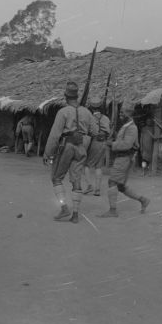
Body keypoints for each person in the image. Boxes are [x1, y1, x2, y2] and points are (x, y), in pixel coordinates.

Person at [43, 81, 98, 224]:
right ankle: (75, 214)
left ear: (66, 96)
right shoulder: (86, 112)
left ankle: (63, 208)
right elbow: (95, 132)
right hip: (81, 147)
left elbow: (55, 135)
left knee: (56, 178)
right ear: (77, 96)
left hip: (66, 146)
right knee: (76, 180)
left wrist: (47, 153)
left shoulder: (63, 112)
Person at [99, 102, 150, 218]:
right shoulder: (126, 126)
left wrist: (111, 144)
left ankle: (113, 211)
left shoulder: (132, 128)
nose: (120, 115)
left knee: (112, 182)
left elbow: (126, 144)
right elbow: (123, 139)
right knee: (120, 186)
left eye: (122, 112)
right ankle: (143, 200)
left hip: (124, 158)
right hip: (123, 158)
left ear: (129, 113)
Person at [83, 97, 110, 196]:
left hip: (94, 142)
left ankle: (89, 186)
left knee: (87, 165)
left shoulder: (90, 118)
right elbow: (108, 131)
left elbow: (87, 131)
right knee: (98, 166)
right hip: (104, 143)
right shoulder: (106, 118)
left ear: (91, 107)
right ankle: (97, 189)